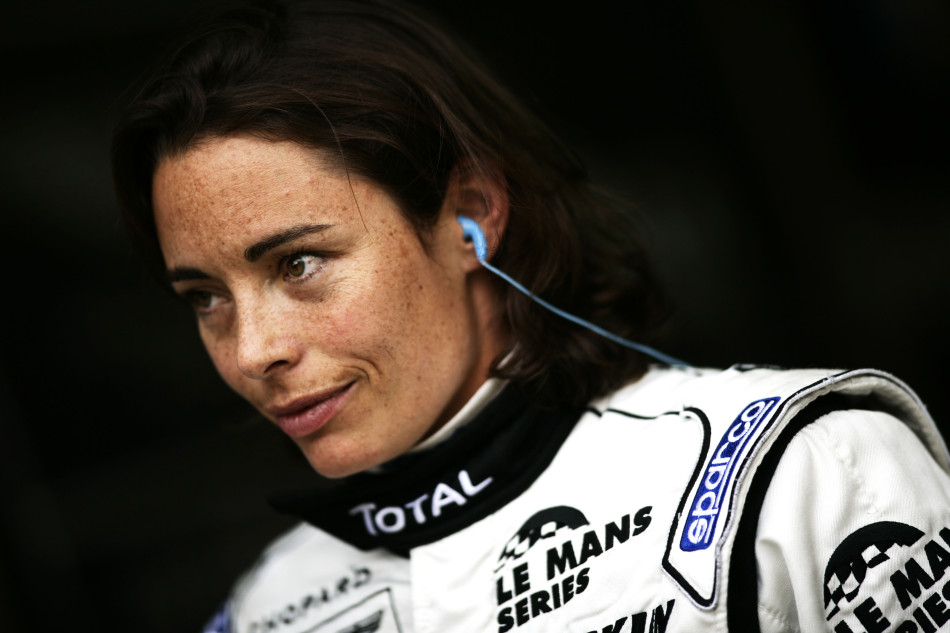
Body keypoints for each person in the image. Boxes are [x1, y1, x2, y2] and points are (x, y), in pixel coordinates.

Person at [111, 1, 950, 631]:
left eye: (299, 263)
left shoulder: (805, 466)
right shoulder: (267, 606)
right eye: (205, 297)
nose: (251, 350)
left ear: (470, 215)